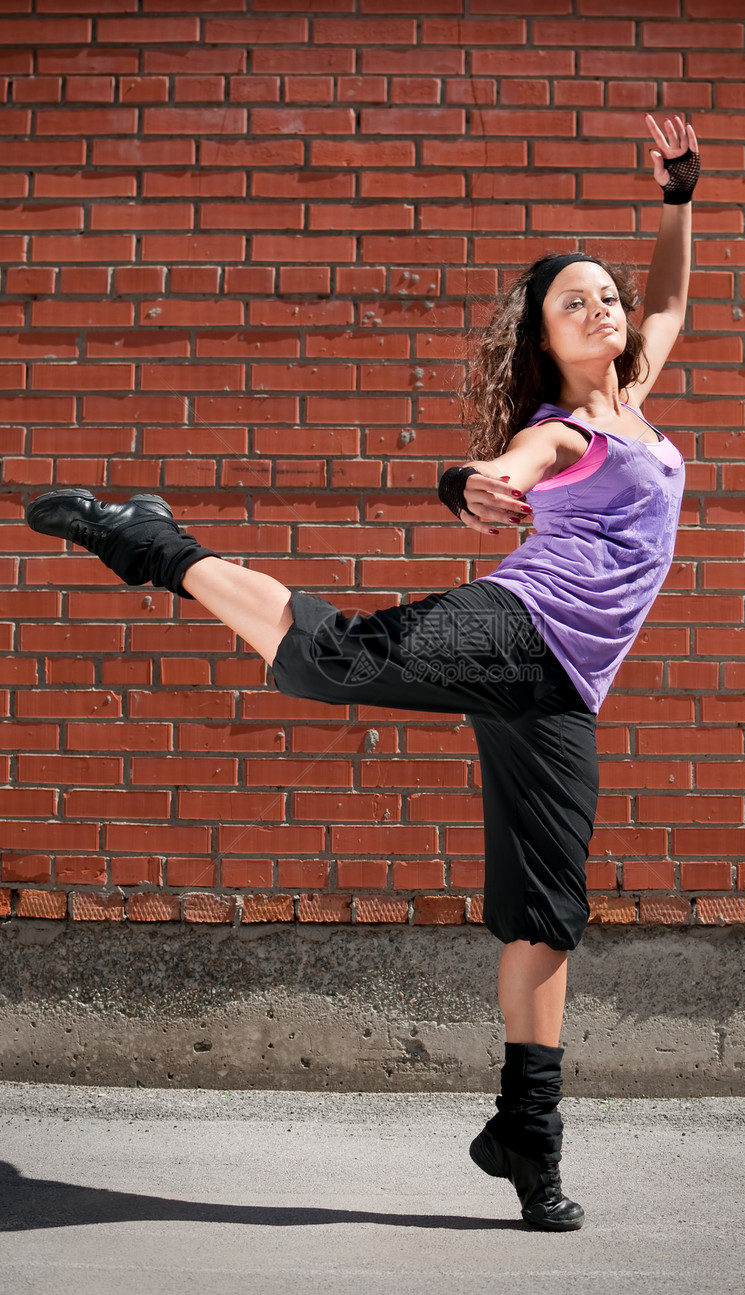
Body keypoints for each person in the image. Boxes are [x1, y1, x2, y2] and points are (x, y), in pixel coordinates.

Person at [25, 112, 699, 1231]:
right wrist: (462, 482)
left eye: (606, 296)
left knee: (546, 911)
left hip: (564, 689)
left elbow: (671, 301)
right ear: (546, 334)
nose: (603, 308)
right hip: (521, 628)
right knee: (332, 660)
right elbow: (503, 464)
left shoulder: (633, 397)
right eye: (573, 300)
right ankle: (148, 540)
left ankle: (525, 1132)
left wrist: (676, 199)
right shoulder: (564, 431)